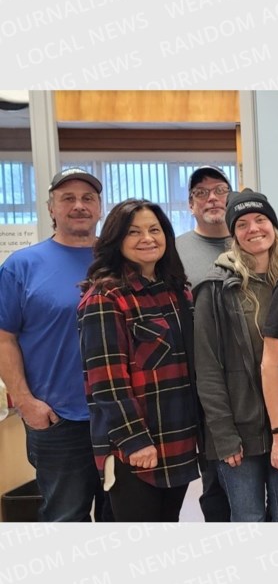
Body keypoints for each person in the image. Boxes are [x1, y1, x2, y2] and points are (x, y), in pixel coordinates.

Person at [78, 200, 199, 521]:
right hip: (134, 446)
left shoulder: (178, 292)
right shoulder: (105, 297)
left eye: (154, 230)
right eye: (134, 232)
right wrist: (134, 441)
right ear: (116, 240)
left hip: (179, 437)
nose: (147, 238)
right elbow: (106, 383)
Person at [0, 169, 104, 521]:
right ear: (51, 209)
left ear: (100, 208)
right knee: (65, 519)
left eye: (88, 198)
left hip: (121, 415)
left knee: (125, 518)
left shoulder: (121, 261)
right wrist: (26, 402)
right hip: (58, 418)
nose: (79, 206)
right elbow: (4, 338)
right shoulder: (22, 266)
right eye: (67, 198)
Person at [194, 190, 278, 522]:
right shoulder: (214, 288)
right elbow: (207, 368)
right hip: (237, 434)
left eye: (261, 219)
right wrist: (224, 436)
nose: (253, 229)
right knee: (248, 520)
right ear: (233, 233)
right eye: (242, 224)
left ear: (273, 225)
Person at [176, 164, 233, 523]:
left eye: (219, 189)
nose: (211, 197)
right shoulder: (174, 250)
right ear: (190, 205)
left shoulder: (255, 238)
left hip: (257, 378)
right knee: (216, 472)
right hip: (198, 379)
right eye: (200, 193)